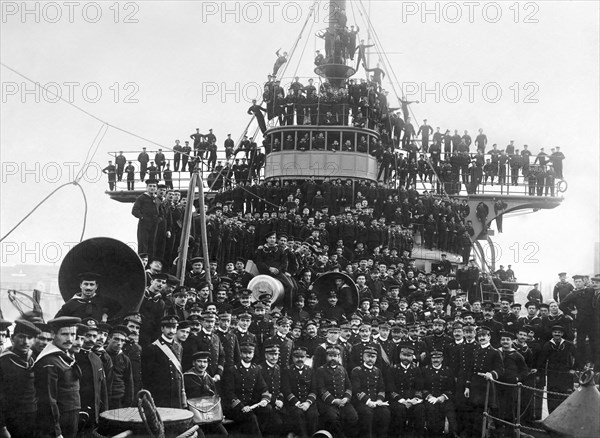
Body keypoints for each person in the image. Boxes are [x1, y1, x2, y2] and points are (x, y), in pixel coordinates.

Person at [34, 317, 82, 438]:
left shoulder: (64, 356)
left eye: (73, 334)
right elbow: (48, 401)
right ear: (53, 335)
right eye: (65, 334)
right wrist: (56, 432)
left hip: (71, 417)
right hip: (59, 421)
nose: (70, 339)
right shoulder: (49, 361)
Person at [0, 320, 41, 438]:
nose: (26, 342)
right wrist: (2, 428)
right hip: (11, 420)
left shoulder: (34, 358)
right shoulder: (3, 361)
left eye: (30, 337)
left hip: (33, 418)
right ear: (12, 338)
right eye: (21, 337)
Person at [223, 341, 272, 438]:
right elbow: (229, 392)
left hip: (251, 404)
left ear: (253, 354)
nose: (247, 355)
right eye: (245, 353)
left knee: (268, 409)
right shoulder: (233, 369)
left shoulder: (256, 369)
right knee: (251, 417)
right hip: (236, 407)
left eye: (250, 353)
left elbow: (264, 387)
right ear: (241, 354)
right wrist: (241, 406)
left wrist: (264, 400)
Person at [141, 315, 186, 409]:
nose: (171, 331)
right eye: (168, 327)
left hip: (176, 393)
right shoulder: (152, 348)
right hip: (161, 394)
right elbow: (147, 376)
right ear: (162, 328)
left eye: (174, 327)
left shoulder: (179, 347)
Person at [315, 344, 358, 438]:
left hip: (343, 401)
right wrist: (333, 400)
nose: (332, 358)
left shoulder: (342, 369)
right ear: (326, 356)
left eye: (335, 356)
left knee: (353, 416)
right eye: (330, 356)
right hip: (328, 403)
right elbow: (321, 388)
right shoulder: (320, 370)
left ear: (339, 357)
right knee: (333, 418)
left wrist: (346, 398)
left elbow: (349, 386)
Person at [351, 344, 391, 438]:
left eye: (373, 357)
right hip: (362, 402)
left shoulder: (377, 371)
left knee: (385, 413)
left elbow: (381, 388)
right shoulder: (356, 371)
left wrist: (380, 400)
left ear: (376, 358)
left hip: (376, 401)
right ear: (363, 357)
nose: (370, 359)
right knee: (367, 414)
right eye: (368, 356)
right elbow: (357, 390)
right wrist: (368, 402)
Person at [282, 345, 319, 438]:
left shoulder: (310, 370)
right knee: (298, 414)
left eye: (302, 357)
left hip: (308, 402)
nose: (299, 359)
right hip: (294, 403)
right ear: (292, 358)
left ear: (306, 357)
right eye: (297, 357)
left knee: (313, 414)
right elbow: (286, 390)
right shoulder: (287, 370)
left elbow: (314, 389)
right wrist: (297, 403)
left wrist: (308, 403)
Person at [55, 272, 121, 323]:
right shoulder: (72, 303)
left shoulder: (101, 299)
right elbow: (56, 320)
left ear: (96, 286)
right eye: (86, 284)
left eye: (91, 284)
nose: (88, 288)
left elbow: (117, 306)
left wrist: (106, 315)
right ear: (81, 285)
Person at [421, 350, 457, 438]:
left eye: (438, 358)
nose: (435, 360)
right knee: (429, 410)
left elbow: (452, 388)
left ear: (442, 359)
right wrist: (429, 396)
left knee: (450, 412)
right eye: (433, 358)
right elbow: (421, 387)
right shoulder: (425, 370)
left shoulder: (448, 371)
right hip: (429, 398)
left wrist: (443, 397)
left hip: (444, 399)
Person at [105, 325, 134, 409]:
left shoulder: (125, 359)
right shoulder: (101, 356)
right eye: (116, 339)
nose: (119, 343)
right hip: (103, 398)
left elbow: (129, 382)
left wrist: (128, 403)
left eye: (122, 340)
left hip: (119, 399)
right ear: (109, 339)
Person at [132, 179, 160, 257]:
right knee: (143, 245)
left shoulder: (157, 199)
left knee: (152, 245)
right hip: (144, 224)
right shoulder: (141, 198)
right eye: (150, 186)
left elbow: (162, 212)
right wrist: (142, 217)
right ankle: (142, 263)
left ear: (156, 188)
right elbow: (134, 211)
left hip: (154, 224)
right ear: (146, 187)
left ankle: (150, 265)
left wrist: (159, 219)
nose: (152, 188)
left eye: (154, 186)